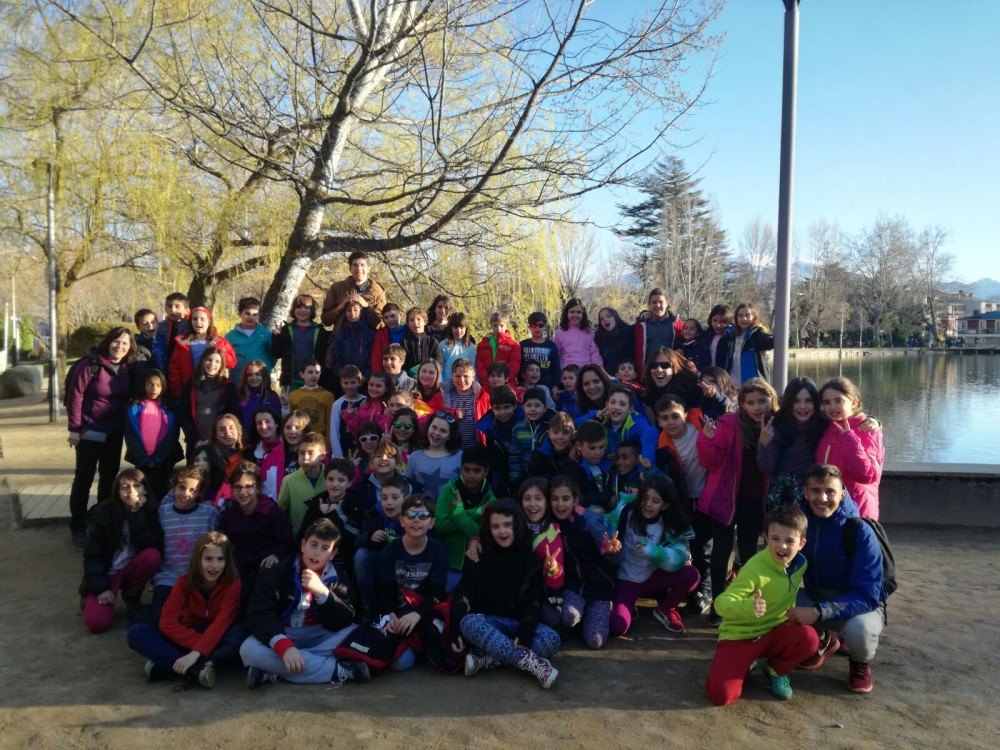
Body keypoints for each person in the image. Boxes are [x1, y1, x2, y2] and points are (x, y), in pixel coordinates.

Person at [705, 504, 819, 705]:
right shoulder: (754, 569)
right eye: (775, 539)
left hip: (774, 632)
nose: (782, 546)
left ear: (801, 544)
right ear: (766, 539)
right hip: (741, 636)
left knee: (808, 638)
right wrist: (748, 607)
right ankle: (746, 662)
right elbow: (721, 603)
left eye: (789, 541)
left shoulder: (801, 564)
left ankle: (776, 669)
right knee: (721, 695)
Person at [789, 463, 886, 694]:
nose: (822, 498)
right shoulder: (798, 526)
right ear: (806, 493)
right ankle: (824, 639)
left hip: (860, 605)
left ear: (842, 494)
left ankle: (860, 662)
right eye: (816, 491)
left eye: (830, 492)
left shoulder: (860, 532)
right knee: (775, 606)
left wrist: (818, 612)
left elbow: (867, 595)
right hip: (816, 596)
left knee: (860, 630)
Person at [240, 519, 369, 687]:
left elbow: (345, 618)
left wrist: (322, 593)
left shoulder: (337, 576)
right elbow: (259, 613)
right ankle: (338, 670)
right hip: (286, 633)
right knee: (248, 648)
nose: (317, 553)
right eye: (313, 545)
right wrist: (284, 646)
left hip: (321, 635)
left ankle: (274, 671)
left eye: (325, 548)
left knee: (357, 632)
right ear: (303, 545)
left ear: (333, 554)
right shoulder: (278, 571)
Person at [451, 500, 561, 688]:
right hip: (487, 623)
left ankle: (489, 658)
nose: (502, 531)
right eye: (495, 526)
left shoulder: (530, 559)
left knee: (552, 639)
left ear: (516, 525)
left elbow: (532, 601)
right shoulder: (477, 555)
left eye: (507, 525)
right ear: (489, 529)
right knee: (468, 623)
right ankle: (531, 664)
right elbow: (464, 594)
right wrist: (455, 630)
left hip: (517, 624)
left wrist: (525, 634)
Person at [697, 378, 778, 626]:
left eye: (762, 401)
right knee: (721, 551)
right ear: (741, 404)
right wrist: (706, 440)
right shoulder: (730, 424)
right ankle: (718, 604)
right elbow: (709, 462)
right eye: (751, 402)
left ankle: (748, 603)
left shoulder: (776, 424)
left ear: (771, 400)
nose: (757, 407)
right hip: (726, 497)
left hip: (754, 501)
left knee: (749, 553)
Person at [127, 530, 243, 688]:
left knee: (239, 635)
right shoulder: (184, 582)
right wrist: (198, 648)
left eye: (220, 559)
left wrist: (197, 652)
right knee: (137, 632)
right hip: (187, 634)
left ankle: (168, 664)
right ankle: (195, 668)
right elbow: (167, 622)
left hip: (218, 635)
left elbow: (221, 623)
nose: (215, 566)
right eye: (208, 559)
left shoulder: (232, 583)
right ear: (198, 560)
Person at [66, 326, 137, 545]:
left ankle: (100, 521)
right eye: (116, 341)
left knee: (108, 480)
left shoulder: (126, 368)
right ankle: (78, 526)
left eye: (125, 343)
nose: (120, 346)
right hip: (89, 431)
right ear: (108, 342)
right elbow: (75, 396)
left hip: (114, 432)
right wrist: (74, 428)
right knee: (84, 480)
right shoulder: (90, 365)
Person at [605, 477, 700, 637]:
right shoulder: (625, 511)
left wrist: (655, 552)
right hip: (626, 579)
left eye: (655, 501)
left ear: (665, 505)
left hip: (652, 577)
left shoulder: (670, 522)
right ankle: (627, 603)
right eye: (645, 498)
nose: (648, 504)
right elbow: (604, 527)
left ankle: (665, 608)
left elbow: (679, 558)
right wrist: (608, 545)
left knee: (691, 574)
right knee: (617, 627)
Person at [79, 469, 163, 634]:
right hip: (108, 572)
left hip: (131, 568)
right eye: (124, 487)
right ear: (117, 491)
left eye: (137, 486)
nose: (131, 492)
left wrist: (137, 516)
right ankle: (89, 597)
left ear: (145, 490)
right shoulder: (104, 514)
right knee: (96, 624)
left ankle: (132, 596)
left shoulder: (152, 511)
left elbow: (153, 545)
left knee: (153, 556)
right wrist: (100, 588)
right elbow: (92, 556)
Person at [374, 495, 449, 673]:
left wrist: (417, 614)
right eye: (410, 515)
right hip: (397, 615)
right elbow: (384, 590)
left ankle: (422, 645)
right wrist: (390, 616)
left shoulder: (438, 550)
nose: (416, 520)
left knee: (442, 651)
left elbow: (438, 593)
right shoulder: (390, 551)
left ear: (431, 523)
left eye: (423, 516)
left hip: (425, 612)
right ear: (401, 521)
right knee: (401, 663)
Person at [654, 395, 712, 615]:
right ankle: (688, 585)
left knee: (704, 547)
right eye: (665, 418)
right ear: (659, 421)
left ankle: (704, 590)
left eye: (675, 416)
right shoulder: (662, 446)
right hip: (684, 499)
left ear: (685, 416)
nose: (671, 422)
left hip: (708, 494)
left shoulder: (701, 424)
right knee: (684, 544)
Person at [549, 475, 618, 649]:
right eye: (555, 499)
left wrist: (610, 550)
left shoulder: (590, 521)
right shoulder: (552, 522)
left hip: (600, 585)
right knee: (568, 618)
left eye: (566, 499)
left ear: (575, 500)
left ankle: (598, 611)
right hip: (574, 585)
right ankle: (584, 613)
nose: (560, 504)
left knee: (595, 641)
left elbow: (613, 556)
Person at [218, 462, 295, 605]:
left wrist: (275, 555)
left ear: (258, 487)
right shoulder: (229, 514)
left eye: (248, 486)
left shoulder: (271, 512)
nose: (243, 492)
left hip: (265, 571)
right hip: (238, 571)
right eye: (238, 487)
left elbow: (288, 543)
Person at [150, 466, 219, 615]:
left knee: (196, 617)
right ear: (174, 487)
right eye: (182, 487)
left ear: (200, 493)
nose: (186, 494)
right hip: (168, 577)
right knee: (160, 617)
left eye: (193, 490)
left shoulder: (210, 514)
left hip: (199, 578)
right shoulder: (162, 512)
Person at [816, 378, 885, 520]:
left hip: (858, 512)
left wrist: (849, 439)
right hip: (832, 510)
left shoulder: (867, 429)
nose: (832, 407)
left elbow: (867, 475)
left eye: (838, 401)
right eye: (827, 402)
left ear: (853, 402)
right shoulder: (830, 429)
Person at [434, 446, 497, 592]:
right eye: (466, 470)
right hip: (448, 561)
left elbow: (481, 532)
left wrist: (459, 513)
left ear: (486, 471)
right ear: (461, 469)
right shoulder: (448, 490)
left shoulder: (490, 497)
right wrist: (477, 513)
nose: (471, 475)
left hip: (477, 563)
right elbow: (440, 525)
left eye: (477, 470)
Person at [124, 368, 183, 503]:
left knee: (162, 493)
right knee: (142, 493)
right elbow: (130, 435)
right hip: (142, 460)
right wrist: (142, 458)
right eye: (150, 384)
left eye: (158, 385)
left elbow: (172, 436)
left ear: (163, 387)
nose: (154, 388)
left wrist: (159, 458)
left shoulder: (169, 408)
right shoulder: (134, 407)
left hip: (163, 460)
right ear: (143, 385)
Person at [353, 475, 407, 615]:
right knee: (361, 555)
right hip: (379, 558)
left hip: (403, 563)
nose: (389, 503)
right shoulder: (373, 514)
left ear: (406, 499)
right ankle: (368, 605)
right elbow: (357, 541)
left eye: (395, 498)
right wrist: (370, 536)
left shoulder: (413, 517)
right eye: (384, 498)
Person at [176, 347, 239, 458]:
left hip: (221, 442)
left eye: (217, 361)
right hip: (197, 442)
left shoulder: (227, 386)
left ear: (222, 365)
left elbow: (233, 414)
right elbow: (183, 414)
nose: (212, 364)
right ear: (203, 361)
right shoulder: (191, 384)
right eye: (209, 360)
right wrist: (195, 440)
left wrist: (219, 438)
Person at [167, 306, 237, 399]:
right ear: (190, 322)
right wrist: (178, 392)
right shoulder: (183, 343)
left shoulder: (219, 341)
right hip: (190, 389)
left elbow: (232, 362)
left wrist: (220, 350)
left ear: (209, 322)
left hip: (214, 388)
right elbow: (175, 369)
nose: (198, 322)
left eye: (202, 319)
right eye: (195, 319)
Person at [272, 293, 330, 391]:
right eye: (299, 307)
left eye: (306, 308)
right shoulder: (286, 330)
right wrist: (276, 337)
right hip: (290, 381)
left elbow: (324, 357)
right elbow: (277, 353)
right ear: (293, 309)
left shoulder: (320, 331)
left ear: (312, 311)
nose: (302, 310)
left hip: (314, 381)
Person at [320, 250, 387, 334]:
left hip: (368, 341)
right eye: (355, 265)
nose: (359, 269)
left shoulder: (378, 292)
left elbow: (382, 325)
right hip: (340, 340)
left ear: (368, 269)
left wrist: (367, 307)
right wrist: (339, 308)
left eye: (362, 265)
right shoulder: (337, 288)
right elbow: (325, 321)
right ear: (350, 269)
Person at [277, 432, 329, 537]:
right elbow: (280, 511)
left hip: (327, 538)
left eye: (311, 453)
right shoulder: (289, 481)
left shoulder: (330, 478)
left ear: (322, 456)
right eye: (301, 453)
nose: (305, 457)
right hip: (299, 538)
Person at [475, 385, 523, 496]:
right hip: (501, 476)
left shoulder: (525, 421)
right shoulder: (488, 427)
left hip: (524, 473)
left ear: (515, 405)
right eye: (498, 408)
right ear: (492, 408)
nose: (502, 412)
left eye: (506, 407)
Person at [639, 347, 701, 424]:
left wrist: (711, 395)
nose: (659, 369)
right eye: (654, 365)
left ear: (674, 368)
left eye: (665, 365)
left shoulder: (694, 389)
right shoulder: (647, 395)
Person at [439, 358, 490, 450]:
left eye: (466, 376)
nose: (462, 380)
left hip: (476, 449)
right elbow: (433, 413)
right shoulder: (443, 395)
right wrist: (451, 413)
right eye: (457, 376)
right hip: (450, 449)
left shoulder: (482, 396)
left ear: (473, 375)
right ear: (452, 375)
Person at [509, 387, 556, 487]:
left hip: (548, 477)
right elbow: (515, 457)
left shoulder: (552, 427)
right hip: (527, 477)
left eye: (537, 405)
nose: (533, 409)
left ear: (545, 408)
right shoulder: (518, 428)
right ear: (523, 407)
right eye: (529, 405)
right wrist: (515, 480)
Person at [224, 296, 275, 385]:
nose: (251, 317)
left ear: (259, 315)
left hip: (261, 381)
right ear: (240, 314)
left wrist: (267, 368)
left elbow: (273, 355)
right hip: (238, 381)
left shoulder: (266, 334)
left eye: (255, 314)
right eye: (247, 313)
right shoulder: (230, 337)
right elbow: (226, 358)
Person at [327, 297, 376, 383]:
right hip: (346, 382)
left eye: (355, 310)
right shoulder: (340, 335)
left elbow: (373, 358)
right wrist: (343, 375)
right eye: (349, 310)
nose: (352, 313)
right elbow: (336, 359)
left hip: (365, 380)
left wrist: (365, 376)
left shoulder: (370, 334)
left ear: (361, 311)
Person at [726, 302, 774, 387]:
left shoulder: (757, 335)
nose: (744, 319)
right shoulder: (730, 335)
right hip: (733, 386)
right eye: (740, 316)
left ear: (754, 317)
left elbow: (771, 341)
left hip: (754, 387)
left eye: (748, 315)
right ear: (736, 318)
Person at [634, 288, 684, 368]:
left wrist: (679, 348)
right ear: (649, 304)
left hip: (670, 369)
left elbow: (685, 342)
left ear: (667, 303)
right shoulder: (641, 325)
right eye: (654, 302)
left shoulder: (676, 323)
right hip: (648, 370)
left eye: (661, 302)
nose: (657, 305)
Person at [287, 358, 334, 442]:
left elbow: (330, 421)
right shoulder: (293, 395)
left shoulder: (328, 396)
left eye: (317, 372)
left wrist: (328, 443)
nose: (314, 375)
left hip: (319, 441)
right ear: (302, 374)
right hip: (299, 440)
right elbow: (288, 420)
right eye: (310, 372)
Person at [475, 311, 521, 392]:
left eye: (501, 325)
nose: (498, 329)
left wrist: (503, 380)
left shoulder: (513, 345)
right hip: (487, 385)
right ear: (491, 326)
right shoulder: (483, 344)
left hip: (507, 385)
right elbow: (480, 365)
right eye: (495, 325)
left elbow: (514, 365)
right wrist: (487, 381)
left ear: (506, 326)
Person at [235, 360, 282, 436]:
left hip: (266, 438)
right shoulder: (239, 395)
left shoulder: (272, 396)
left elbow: (278, 421)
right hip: (244, 438)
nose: (253, 378)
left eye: (257, 374)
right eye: (250, 375)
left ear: (264, 376)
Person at [554, 297, 602, 369]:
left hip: (585, 372)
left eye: (579, 312)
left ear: (583, 314)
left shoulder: (589, 332)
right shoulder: (560, 333)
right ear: (566, 313)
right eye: (572, 312)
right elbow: (556, 356)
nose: (575, 315)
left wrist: (598, 371)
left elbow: (595, 354)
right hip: (566, 373)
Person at [526, 411, 577, 480]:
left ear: (574, 435)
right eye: (555, 432)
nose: (560, 437)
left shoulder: (580, 454)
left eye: (566, 432)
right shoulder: (538, 456)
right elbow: (532, 483)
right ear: (549, 434)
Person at [329, 364, 366, 458]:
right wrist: (338, 456)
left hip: (364, 449)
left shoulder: (366, 401)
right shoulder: (338, 404)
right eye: (346, 383)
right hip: (345, 449)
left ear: (359, 382)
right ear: (341, 383)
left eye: (353, 382)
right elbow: (334, 432)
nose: (349, 386)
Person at [519, 311, 560, 389]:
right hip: (526, 386)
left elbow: (556, 369)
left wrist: (555, 386)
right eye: (534, 325)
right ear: (529, 327)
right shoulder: (522, 345)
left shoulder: (551, 346)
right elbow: (519, 367)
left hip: (546, 386)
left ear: (545, 327)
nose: (537, 328)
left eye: (540, 325)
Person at [152, 292, 190, 373]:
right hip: (163, 367)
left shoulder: (190, 327)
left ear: (186, 310)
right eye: (169, 306)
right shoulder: (160, 327)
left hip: (184, 367)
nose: (172, 310)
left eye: (177, 306)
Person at [595, 307, 635, 377]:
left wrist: (644, 313)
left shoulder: (628, 331)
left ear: (615, 317)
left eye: (608, 316)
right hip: (608, 377)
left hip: (628, 376)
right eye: (602, 319)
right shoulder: (599, 337)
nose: (605, 319)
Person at [401, 306, 443, 373]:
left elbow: (438, 364)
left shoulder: (433, 342)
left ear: (425, 321)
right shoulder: (405, 342)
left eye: (418, 319)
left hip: (429, 376)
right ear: (408, 324)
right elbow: (402, 364)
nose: (415, 323)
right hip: (410, 378)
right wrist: (411, 373)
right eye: (411, 320)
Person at [370, 303, 407, 374]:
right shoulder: (381, 334)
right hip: (387, 373)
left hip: (408, 372)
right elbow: (376, 358)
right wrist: (378, 375)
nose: (390, 320)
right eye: (386, 317)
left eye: (392, 316)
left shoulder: (408, 331)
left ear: (400, 315)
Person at [441, 311, 476, 381]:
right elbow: (439, 367)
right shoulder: (443, 345)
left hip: (464, 383)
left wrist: (473, 382)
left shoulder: (470, 347)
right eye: (455, 327)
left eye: (462, 327)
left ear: (466, 328)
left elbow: (473, 367)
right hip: (447, 382)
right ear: (451, 328)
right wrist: (440, 383)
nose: (458, 330)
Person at [705, 304, 732, 370]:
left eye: (722, 321)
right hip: (707, 373)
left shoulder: (732, 338)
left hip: (724, 374)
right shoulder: (705, 335)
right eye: (715, 320)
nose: (718, 325)